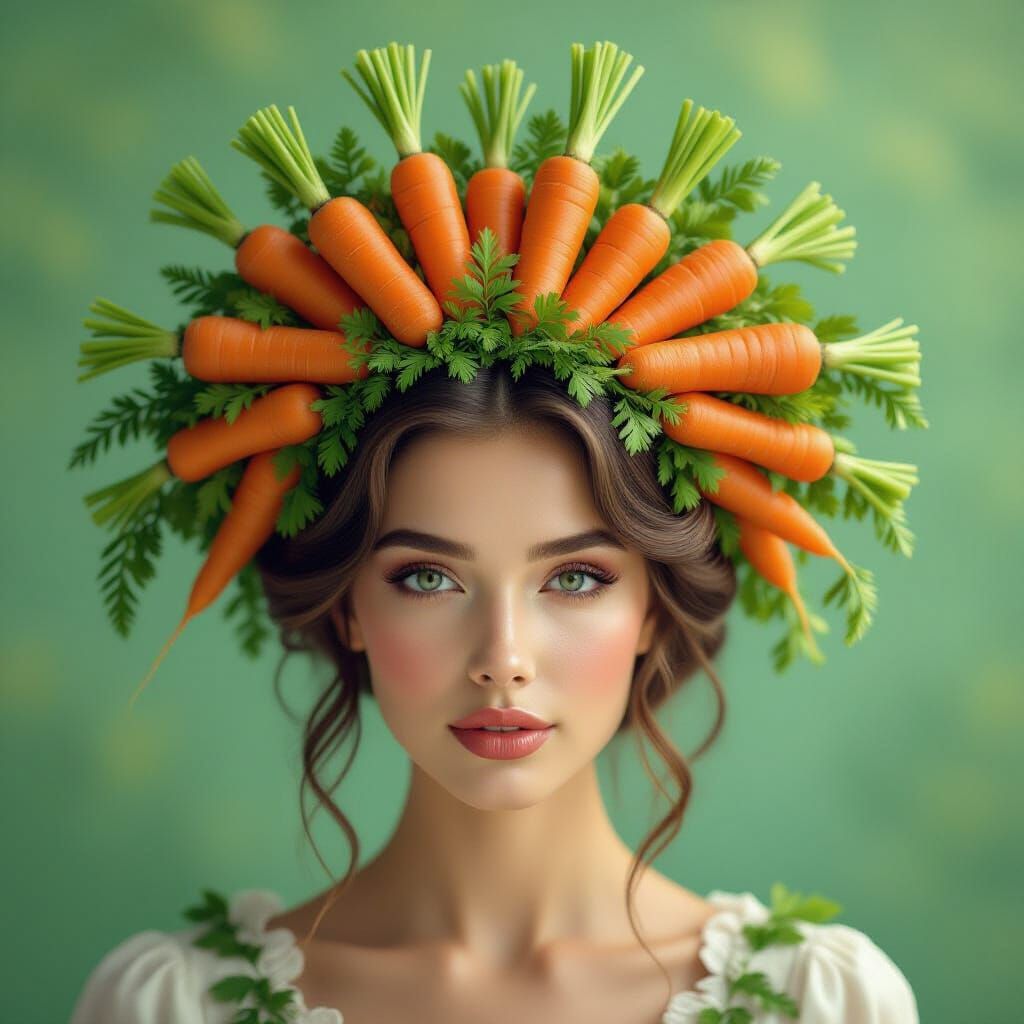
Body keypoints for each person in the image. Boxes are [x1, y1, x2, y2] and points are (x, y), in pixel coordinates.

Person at [69, 366, 920, 1023]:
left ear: (653, 610)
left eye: (577, 577)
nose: (502, 659)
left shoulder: (823, 1003)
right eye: (428, 577)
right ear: (352, 608)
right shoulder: (175, 1007)